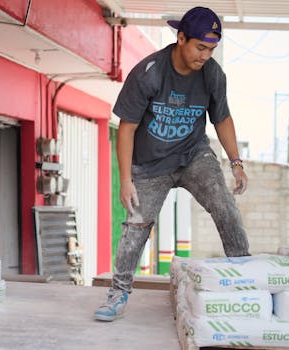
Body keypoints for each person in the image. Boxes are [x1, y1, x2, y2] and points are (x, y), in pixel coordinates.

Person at [94, 6, 250, 322]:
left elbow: (222, 118)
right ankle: (118, 292)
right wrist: (125, 180)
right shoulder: (149, 71)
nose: (206, 55)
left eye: (212, 49)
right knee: (137, 224)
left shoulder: (212, 75)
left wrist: (236, 162)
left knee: (224, 204)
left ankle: (246, 277)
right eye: (200, 47)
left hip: (193, 155)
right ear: (181, 38)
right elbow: (127, 128)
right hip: (151, 164)